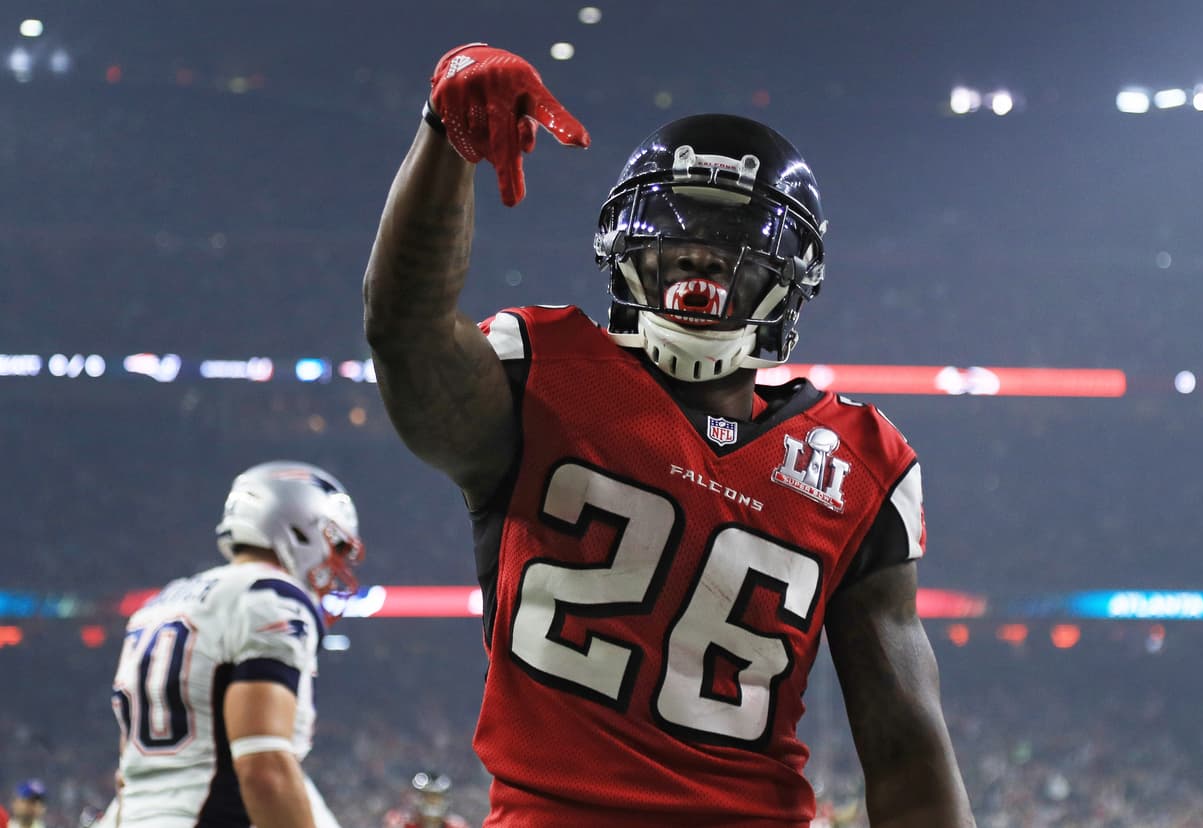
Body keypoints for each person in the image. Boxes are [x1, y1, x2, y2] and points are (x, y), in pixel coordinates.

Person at [364, 42, 974, 827]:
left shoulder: (860, 464)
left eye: (730, 239)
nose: (696, 253)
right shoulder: (541, 372)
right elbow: (403, 329)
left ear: (789, 275)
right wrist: (445, 139)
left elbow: (908, 753)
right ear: (624, 244)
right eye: (678, 228)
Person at [106, 461, 363, 828]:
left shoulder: (159, 604)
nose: (335, 562)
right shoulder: (270, 596)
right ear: (299, 528)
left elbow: (127, 769)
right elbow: (264, 766)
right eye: (334, 543)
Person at [383, 771, 469, 828]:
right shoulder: (401, 823)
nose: (432, 802)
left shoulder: (457, 826)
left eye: (436, 797)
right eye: (427, 796)